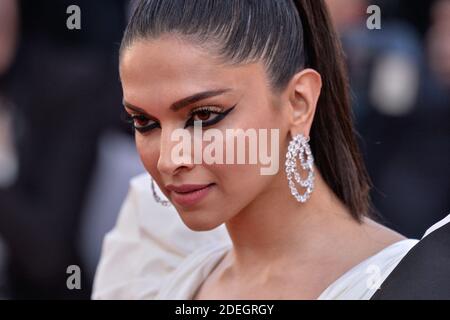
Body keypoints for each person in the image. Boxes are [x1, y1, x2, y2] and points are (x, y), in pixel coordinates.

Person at [92, 0, 421, 300]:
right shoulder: (154, 255)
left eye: (204, 116)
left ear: (299, 102)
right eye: (144, 122)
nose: (169, 160)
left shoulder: (411, 281)